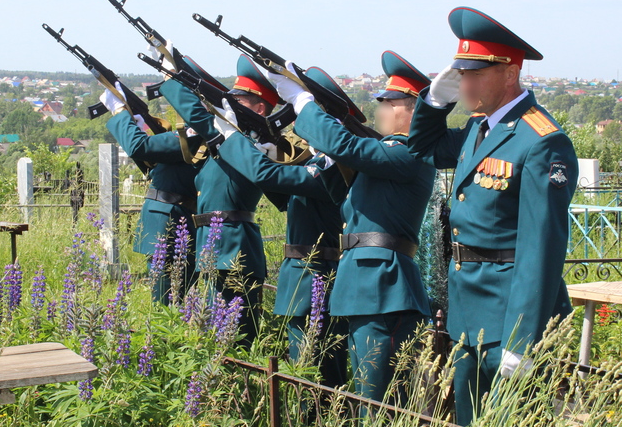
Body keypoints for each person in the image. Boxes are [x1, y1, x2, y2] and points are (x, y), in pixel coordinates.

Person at [406, 6, 577, 426]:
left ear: (509, 73)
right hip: (468, 313)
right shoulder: (479, 131)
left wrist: (522, 341)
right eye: (460, 73)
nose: (464, 81)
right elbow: (422, 146)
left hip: (509, 318)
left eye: (473, 72)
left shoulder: (541, 142)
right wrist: (434, 99)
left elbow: (541, 250)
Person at [268, 51, 434, 405]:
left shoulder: (413, 153)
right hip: (362, 287)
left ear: (412, 107)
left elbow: (350, 146)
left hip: (385, 290)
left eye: (388, 101)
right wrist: (327, 157)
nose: (381, 110)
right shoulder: (384, 158)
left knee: (380, 406)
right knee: (361, 401)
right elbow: (348, 199)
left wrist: (304, 104)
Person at [212, 66, 351, 388]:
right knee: (304, 371)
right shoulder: (317, 162)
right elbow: (281, 193)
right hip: (302, 274)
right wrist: (268, 149)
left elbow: (267, 177)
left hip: (317, 274)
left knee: (319, 375)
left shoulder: (334, 167)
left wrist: (234, 138)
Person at [160, 54, 282, 348]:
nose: (232, 104)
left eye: (240, 99)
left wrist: (170, 77)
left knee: (234, 337)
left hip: (233, 246)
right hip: (213, 245)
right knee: (217, 335)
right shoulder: (231, 141)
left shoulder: (250, 144)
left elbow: (199, 117)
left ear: (260, 107)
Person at [99, 85, 202, 304]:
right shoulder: (197, 136)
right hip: (171, 219)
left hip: (171, 222)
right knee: (169, 296)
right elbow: (155, 168)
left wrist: (120, 112)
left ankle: (164, 339)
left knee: (167, 300)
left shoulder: (194, 136)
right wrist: (139, 125)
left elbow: (139, 147)